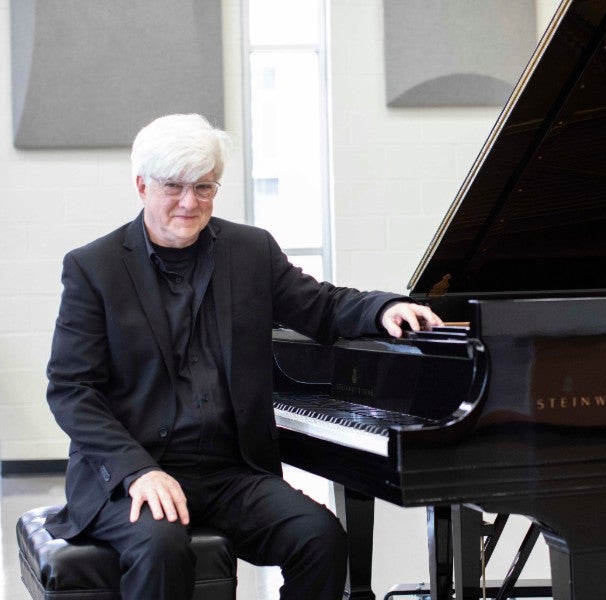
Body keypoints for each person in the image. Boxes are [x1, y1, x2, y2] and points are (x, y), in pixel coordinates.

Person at [44, 113, 443, 599]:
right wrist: (137, 470)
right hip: (136, 472)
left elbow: (321, 304)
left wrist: (384, 306)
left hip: (229, 473)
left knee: (320, 538)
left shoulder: (250, 250)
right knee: (161, 546)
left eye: (205, 187)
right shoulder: (93, 267)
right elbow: (72, 390)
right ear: (141, 185)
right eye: (174, 187)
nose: (190, 203)